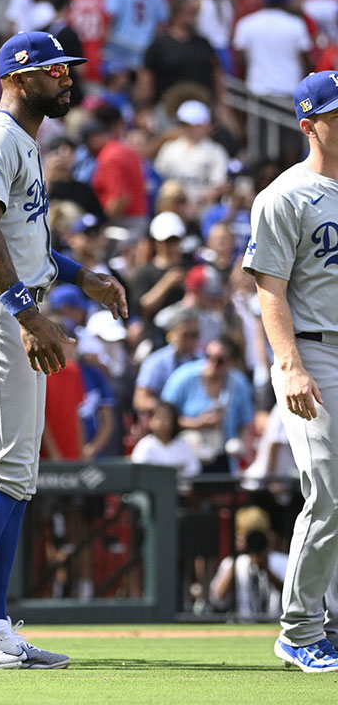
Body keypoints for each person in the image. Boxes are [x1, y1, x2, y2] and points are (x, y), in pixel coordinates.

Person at [0, 32, 126, 669]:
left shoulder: (24, 141)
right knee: (4, 474)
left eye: (68, 70)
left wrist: (81, 275)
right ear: (17, 77)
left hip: (7, 304)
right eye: (54, 70)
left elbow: (25, 240)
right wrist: (25, 311)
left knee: (18, 479)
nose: (68, 79)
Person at [243, 70, 338, 672]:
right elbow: (270, 291)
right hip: (311, 350)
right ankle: (300, 629)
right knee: (327, 488)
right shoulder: (285, 195)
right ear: (309, 124)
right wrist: (290, 365)